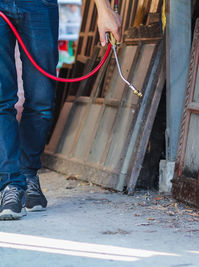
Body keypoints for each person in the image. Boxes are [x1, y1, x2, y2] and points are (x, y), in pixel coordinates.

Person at [0, 0, 121, 220]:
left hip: (39, 5)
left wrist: (103, 10)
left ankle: (28, 175)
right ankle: (10, 184)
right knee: (1, 101)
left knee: (41, 100)